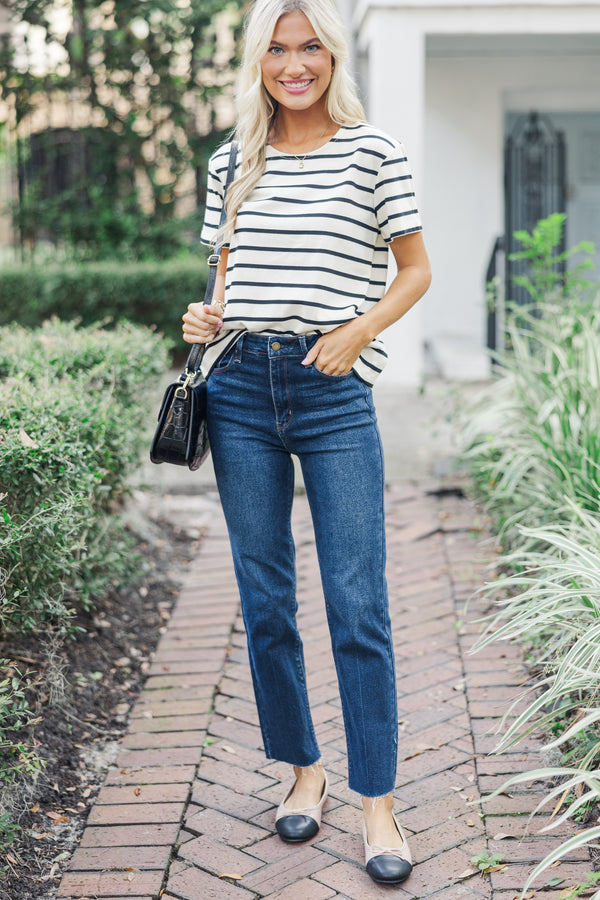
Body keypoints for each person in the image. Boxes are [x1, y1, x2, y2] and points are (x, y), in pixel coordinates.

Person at [182, 0, 431, 885]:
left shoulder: (375, 152)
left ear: (333, 56)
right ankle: (302, 769)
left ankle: (377, 803)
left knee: (358, 602)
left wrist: (360, 334)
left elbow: (416, 270)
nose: (295, 65)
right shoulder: (232, 161)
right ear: (258, 60)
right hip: (240, 384)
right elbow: (221, 276)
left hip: (332, 394)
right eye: (279, 50)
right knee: (266, 600)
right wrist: (200, 317)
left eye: (311, 48)